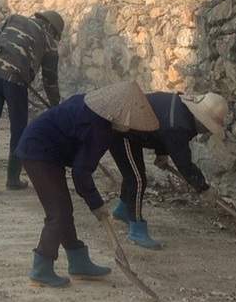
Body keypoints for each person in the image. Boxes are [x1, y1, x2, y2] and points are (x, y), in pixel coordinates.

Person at [15, 81, 160, 287]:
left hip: (48, 152)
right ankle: (41, 268)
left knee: (64, 209)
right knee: (58, 213)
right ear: (117, 114)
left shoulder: (93, 109)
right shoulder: (99, 129)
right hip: (37, 153)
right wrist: (97, 205)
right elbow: (81, 174)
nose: (129, 126)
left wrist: (94, 201)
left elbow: (80, 166)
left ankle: (78, 261)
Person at [109, 91, 228, 249]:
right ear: (201, 118)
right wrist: (203, 188)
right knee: (137, 179)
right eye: (207, 126)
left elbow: (160, 124)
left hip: (135, 129)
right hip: (121, 131)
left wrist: (162, 153)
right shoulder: (179, 125)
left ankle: (122, 210)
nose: (206, 131)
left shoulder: (182, 108)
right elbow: (184, 163)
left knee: (134, 174)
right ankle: (136, 229)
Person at [0, 10, 64, 193]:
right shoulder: (49, 43)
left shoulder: (13, 18)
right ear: (51, 28)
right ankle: (13, 178)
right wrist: (56, 107)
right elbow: (50, 80)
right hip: (16, 82)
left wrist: (2, 57)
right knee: (18, 128)